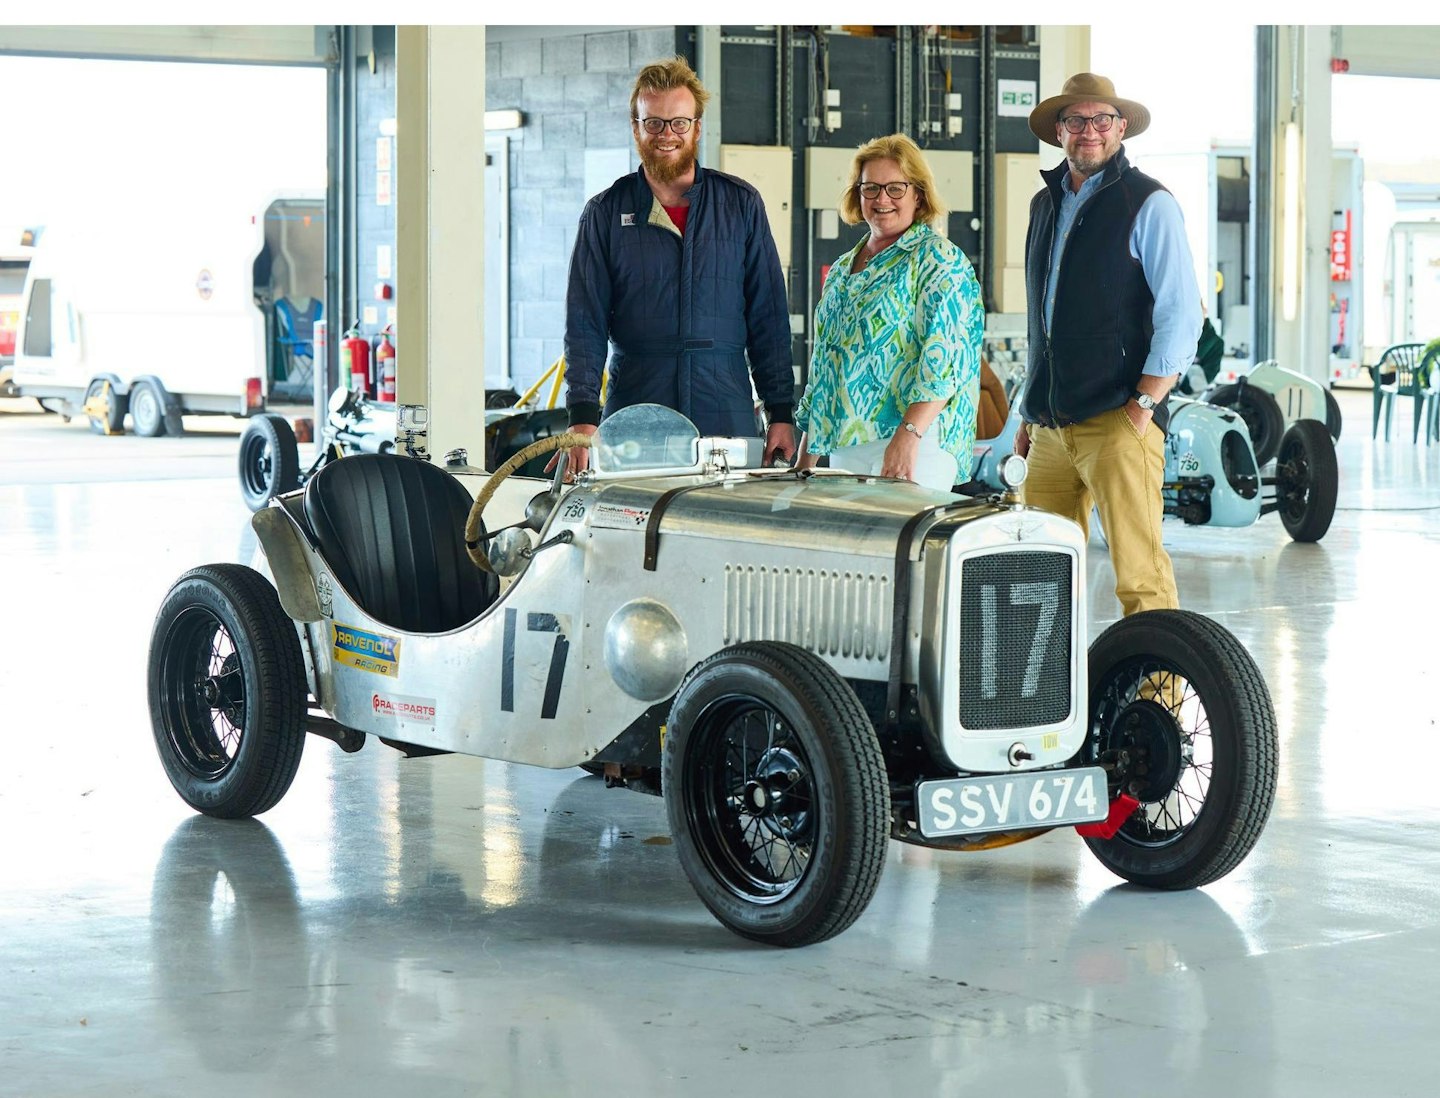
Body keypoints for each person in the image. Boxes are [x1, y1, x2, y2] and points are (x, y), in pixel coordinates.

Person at [1014, 73, 1201, 616]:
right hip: (1049, 428)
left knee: (1140, 578)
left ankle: (1158, 698)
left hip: (1118, 421)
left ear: (1121, 128)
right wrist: (1031, 408)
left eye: (1101, 120)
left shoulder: (1149, 203)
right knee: (1040, 580)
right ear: (1059, 131)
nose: (1088, 131)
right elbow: (1043, 320)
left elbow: (1182, 313)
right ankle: (1044, 698)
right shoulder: (1042, 206)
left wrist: (1144, 404)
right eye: (1076, 120)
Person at [560, 55, 795, 475]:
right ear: (636, 128)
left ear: (697, 127)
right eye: (653, 123)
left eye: (679, 123)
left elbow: (769, 316)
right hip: (636, 406)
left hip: (724, 406)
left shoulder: (739, 205)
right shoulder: (606, 213)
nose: (666, 134)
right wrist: (582, 415)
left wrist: (780, 411)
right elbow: (584, 323)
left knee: (726, 528)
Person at [793, 134, 982, 492]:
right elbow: (825, 367)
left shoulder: (937, 258)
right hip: (850, 440)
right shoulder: (842, 269)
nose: (882, 199)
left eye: (896, 188)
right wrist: (806, 460)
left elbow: (944, 361)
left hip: (918, 441)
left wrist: (908, 437)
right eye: (871, 188)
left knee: (908, 547)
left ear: (918, 194)